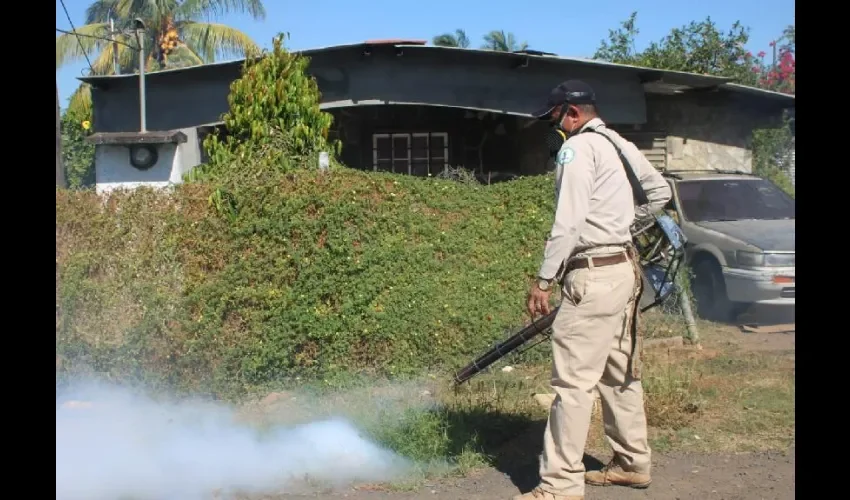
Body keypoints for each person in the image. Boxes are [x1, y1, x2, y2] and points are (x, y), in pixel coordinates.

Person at [514, 80, 672, 500]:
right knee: (620, 372)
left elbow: (567, 223)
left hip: (593, 274)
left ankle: (560, 485)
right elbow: (660, 192)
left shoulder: (578, 148)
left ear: (571, 113)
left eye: (553, 118)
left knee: (572, 383)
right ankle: (631, 464)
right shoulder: (617, 142)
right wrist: (621, 227)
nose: (552, 128)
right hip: (624, 270)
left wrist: (544, 279)